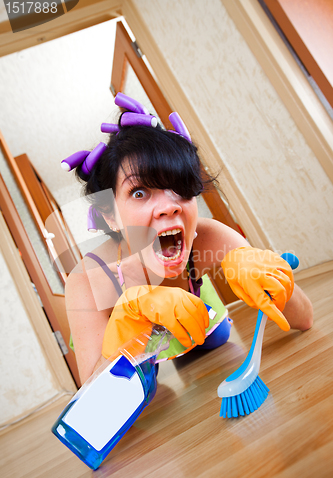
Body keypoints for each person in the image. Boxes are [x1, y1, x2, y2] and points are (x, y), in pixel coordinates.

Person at [63, 93, 313, 385]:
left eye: (179, 187)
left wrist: (272, 276)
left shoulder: (208, 236)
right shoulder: (87, 279)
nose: (170, 206)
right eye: (140, 192)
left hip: (206, 330)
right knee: (142, 380)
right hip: (131, 353)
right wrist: (129, 314)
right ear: (111, 217)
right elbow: (95, 399)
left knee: (217, 336)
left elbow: (304, 318)